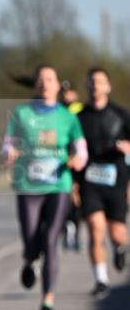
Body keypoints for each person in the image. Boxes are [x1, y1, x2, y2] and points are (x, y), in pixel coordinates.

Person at [3, 65, 88, 310]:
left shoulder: (67, 116)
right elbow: (9, 141)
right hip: (29, 186)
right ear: (36, 85)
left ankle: (47, 302)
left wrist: (78, 160)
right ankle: (30, 260)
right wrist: (9, 152)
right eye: (40, 79)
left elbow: (81, 148)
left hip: (58, 185)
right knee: (31, 239)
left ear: (56, 84)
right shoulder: (22, 113)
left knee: (51, 239)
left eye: (49, 79)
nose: (45, 83)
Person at [75, 67, 130, 295]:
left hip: (116, 179)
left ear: (108, 86)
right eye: (91, 82)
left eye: (100, 82)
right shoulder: (78, 117)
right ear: (87, 86)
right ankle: (101, 280)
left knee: (116, 233)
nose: (95, 86)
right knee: (96, 229)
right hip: (90, 181)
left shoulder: (121, 114)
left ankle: (120, 249)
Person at [59, 81, 84, 251]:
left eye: (70, 92)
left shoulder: (81, 110)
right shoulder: (57, 110)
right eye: (64, 92)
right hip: (61, 159)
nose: (67, 95)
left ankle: (73, 229)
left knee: (76, 198)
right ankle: (68, 227)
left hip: (79, 158)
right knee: (66, 196)